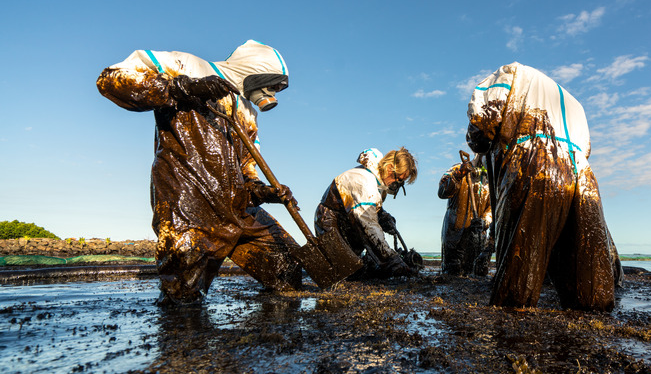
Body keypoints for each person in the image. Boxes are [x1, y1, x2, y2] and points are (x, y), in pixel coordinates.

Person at [96, 40, 302, 305]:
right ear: (255, 71)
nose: (275, 92)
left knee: (288, 269)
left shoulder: (249, 111)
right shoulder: (188, 65)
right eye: (274, 85)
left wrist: (261, 189)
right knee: (183, 295)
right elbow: (111, 79)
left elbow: (248, 165)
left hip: (237, 207)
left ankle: (267, 340)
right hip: (189, 202)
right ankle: (181, 340)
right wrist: (180, 87)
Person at [465, 62, 623, 311]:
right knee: (590, 286)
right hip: (583, 175)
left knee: (518, 279)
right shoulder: (576, 105)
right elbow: (587, 148)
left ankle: (510, 332)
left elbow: (482, 123)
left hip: (535, 163)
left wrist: (476, 142)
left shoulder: (509, 73)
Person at [314, 147, 418, 277]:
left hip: (345, 219)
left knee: (357, 268)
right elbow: (369, 226)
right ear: (390, 168)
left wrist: (383, 216)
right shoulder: (365, 183)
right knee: (343, 272)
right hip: (329, 221)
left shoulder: (377, 181)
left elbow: (370, 210)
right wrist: (392, 259)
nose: (397, 184)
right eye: (398, 179)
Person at [438, 152, 493, 276]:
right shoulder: (457, 168)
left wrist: (485, 221)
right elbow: (442, 192)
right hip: (454, 235)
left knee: (475, 278)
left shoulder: (492, 178)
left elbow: (493, 208)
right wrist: (458, 175)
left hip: (477, 237)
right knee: (450, 275)